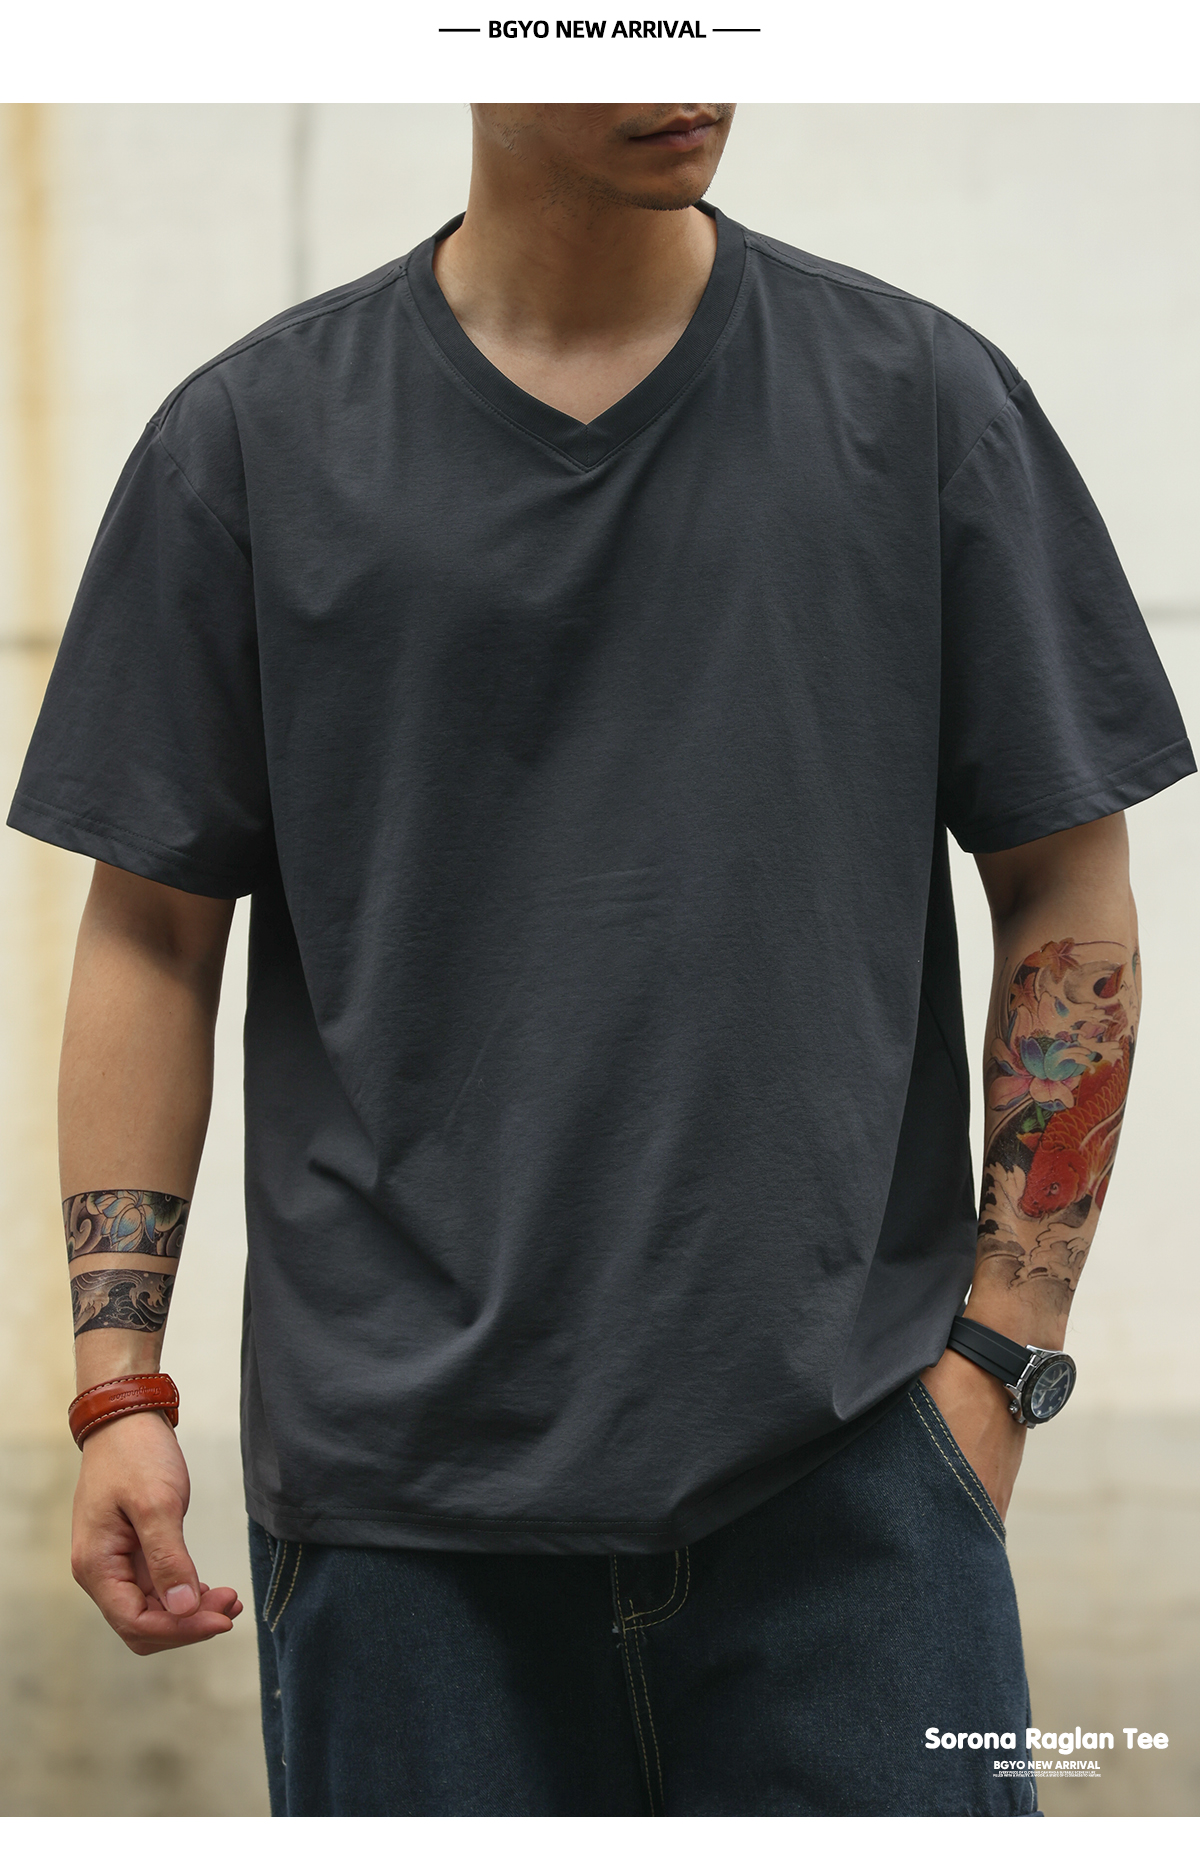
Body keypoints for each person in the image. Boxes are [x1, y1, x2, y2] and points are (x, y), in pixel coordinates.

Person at [8, 103, 1194, 1817]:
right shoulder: (252, 440)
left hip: (855, 1484)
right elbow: (152, 933)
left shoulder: (920, 401)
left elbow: (1067, 881)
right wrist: (119, 1389)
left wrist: (1002, 1364)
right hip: (402, 1524)